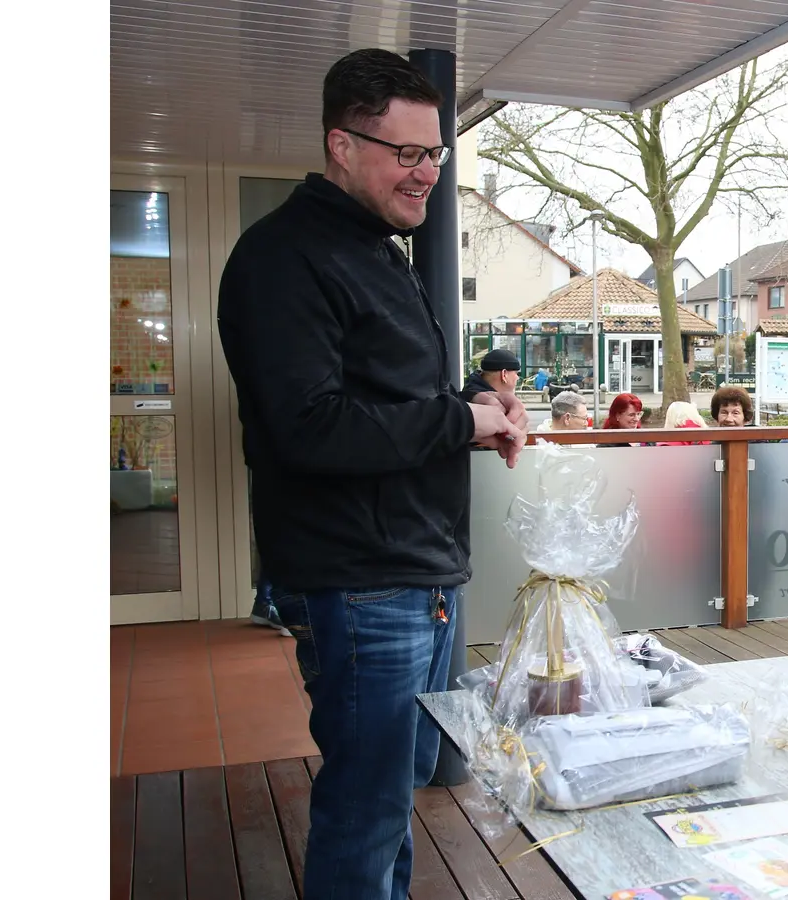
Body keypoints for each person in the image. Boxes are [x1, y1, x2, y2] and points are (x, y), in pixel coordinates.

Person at [216, 48, 529, 900]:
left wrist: (478, 407)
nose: (426, 174)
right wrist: (458, 419)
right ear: (342, 145)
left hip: (417, 570)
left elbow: (401, 394)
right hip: (358, 580)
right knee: (366, 807)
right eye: (406, 153)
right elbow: (310, 429)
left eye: (435, 154)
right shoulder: (283, 259)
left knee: (397, 791)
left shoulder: (378, 249)